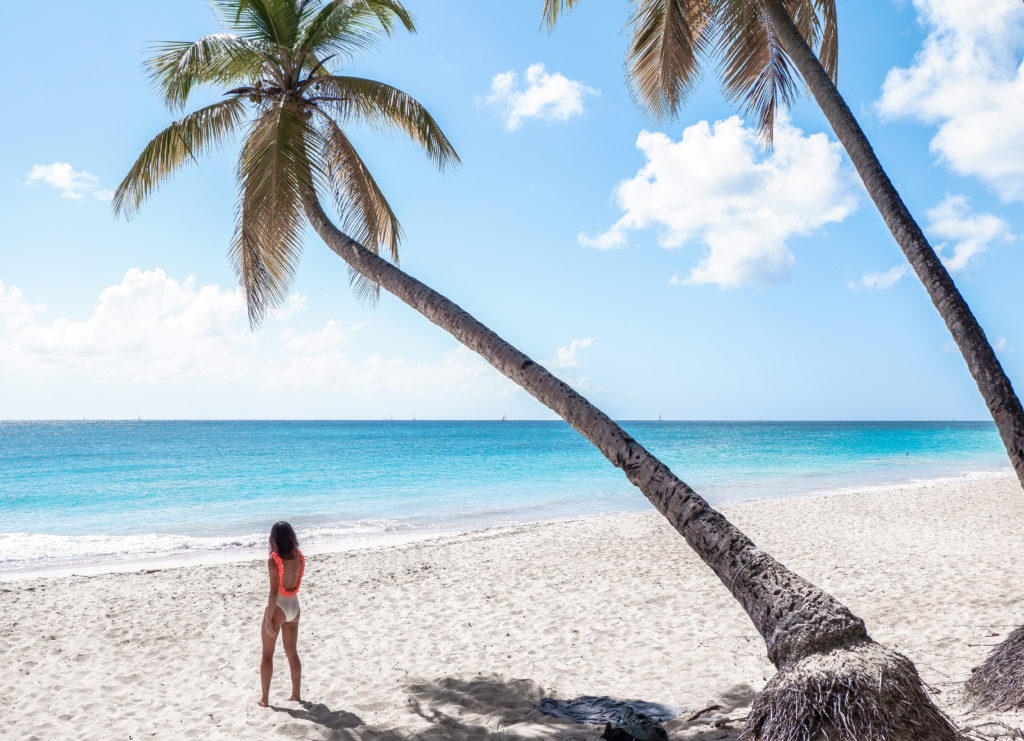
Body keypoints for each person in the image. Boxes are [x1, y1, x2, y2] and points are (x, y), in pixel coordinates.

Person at [258, 521, 305, 707]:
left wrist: (269, 618)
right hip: (294, 606)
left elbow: (273, 592)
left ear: (274, 538)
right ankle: (296, 695)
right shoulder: (299, 556)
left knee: (267, 654)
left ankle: (265, 699)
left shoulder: (274, 559)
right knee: (292, 653)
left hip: (279, 607)